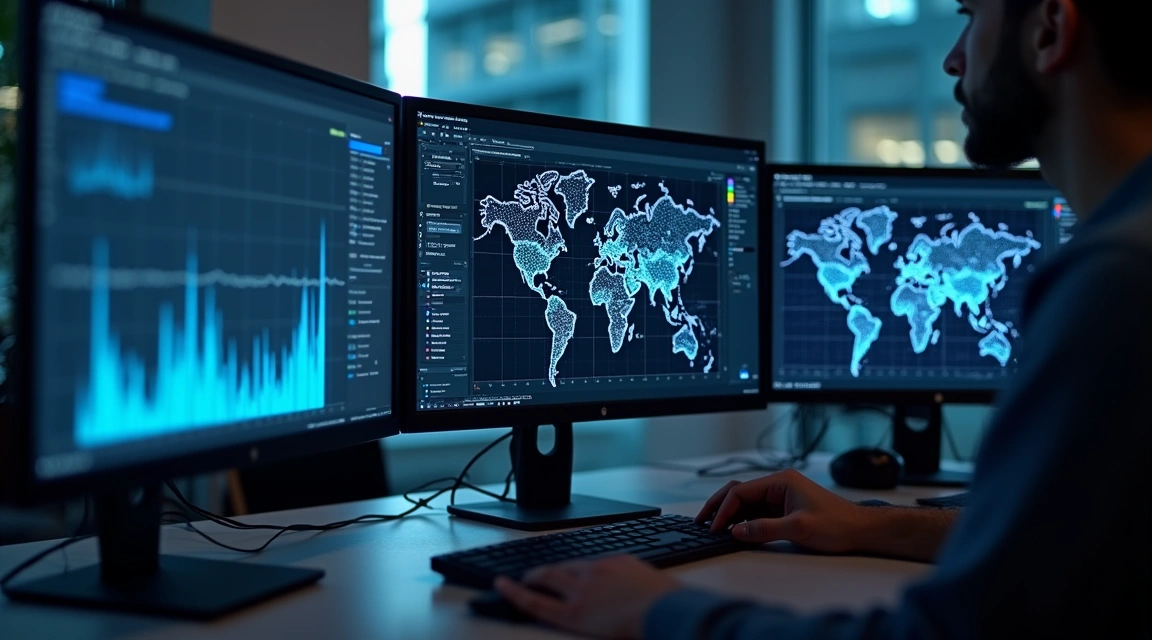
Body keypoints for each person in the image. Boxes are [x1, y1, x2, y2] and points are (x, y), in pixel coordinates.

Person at [494, 0, 1152, 637]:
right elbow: (1058, 542)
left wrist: (658, 612)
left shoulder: (1116, 281)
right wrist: (873, 524)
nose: (953, 59)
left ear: (1049, 30)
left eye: (969, 16)